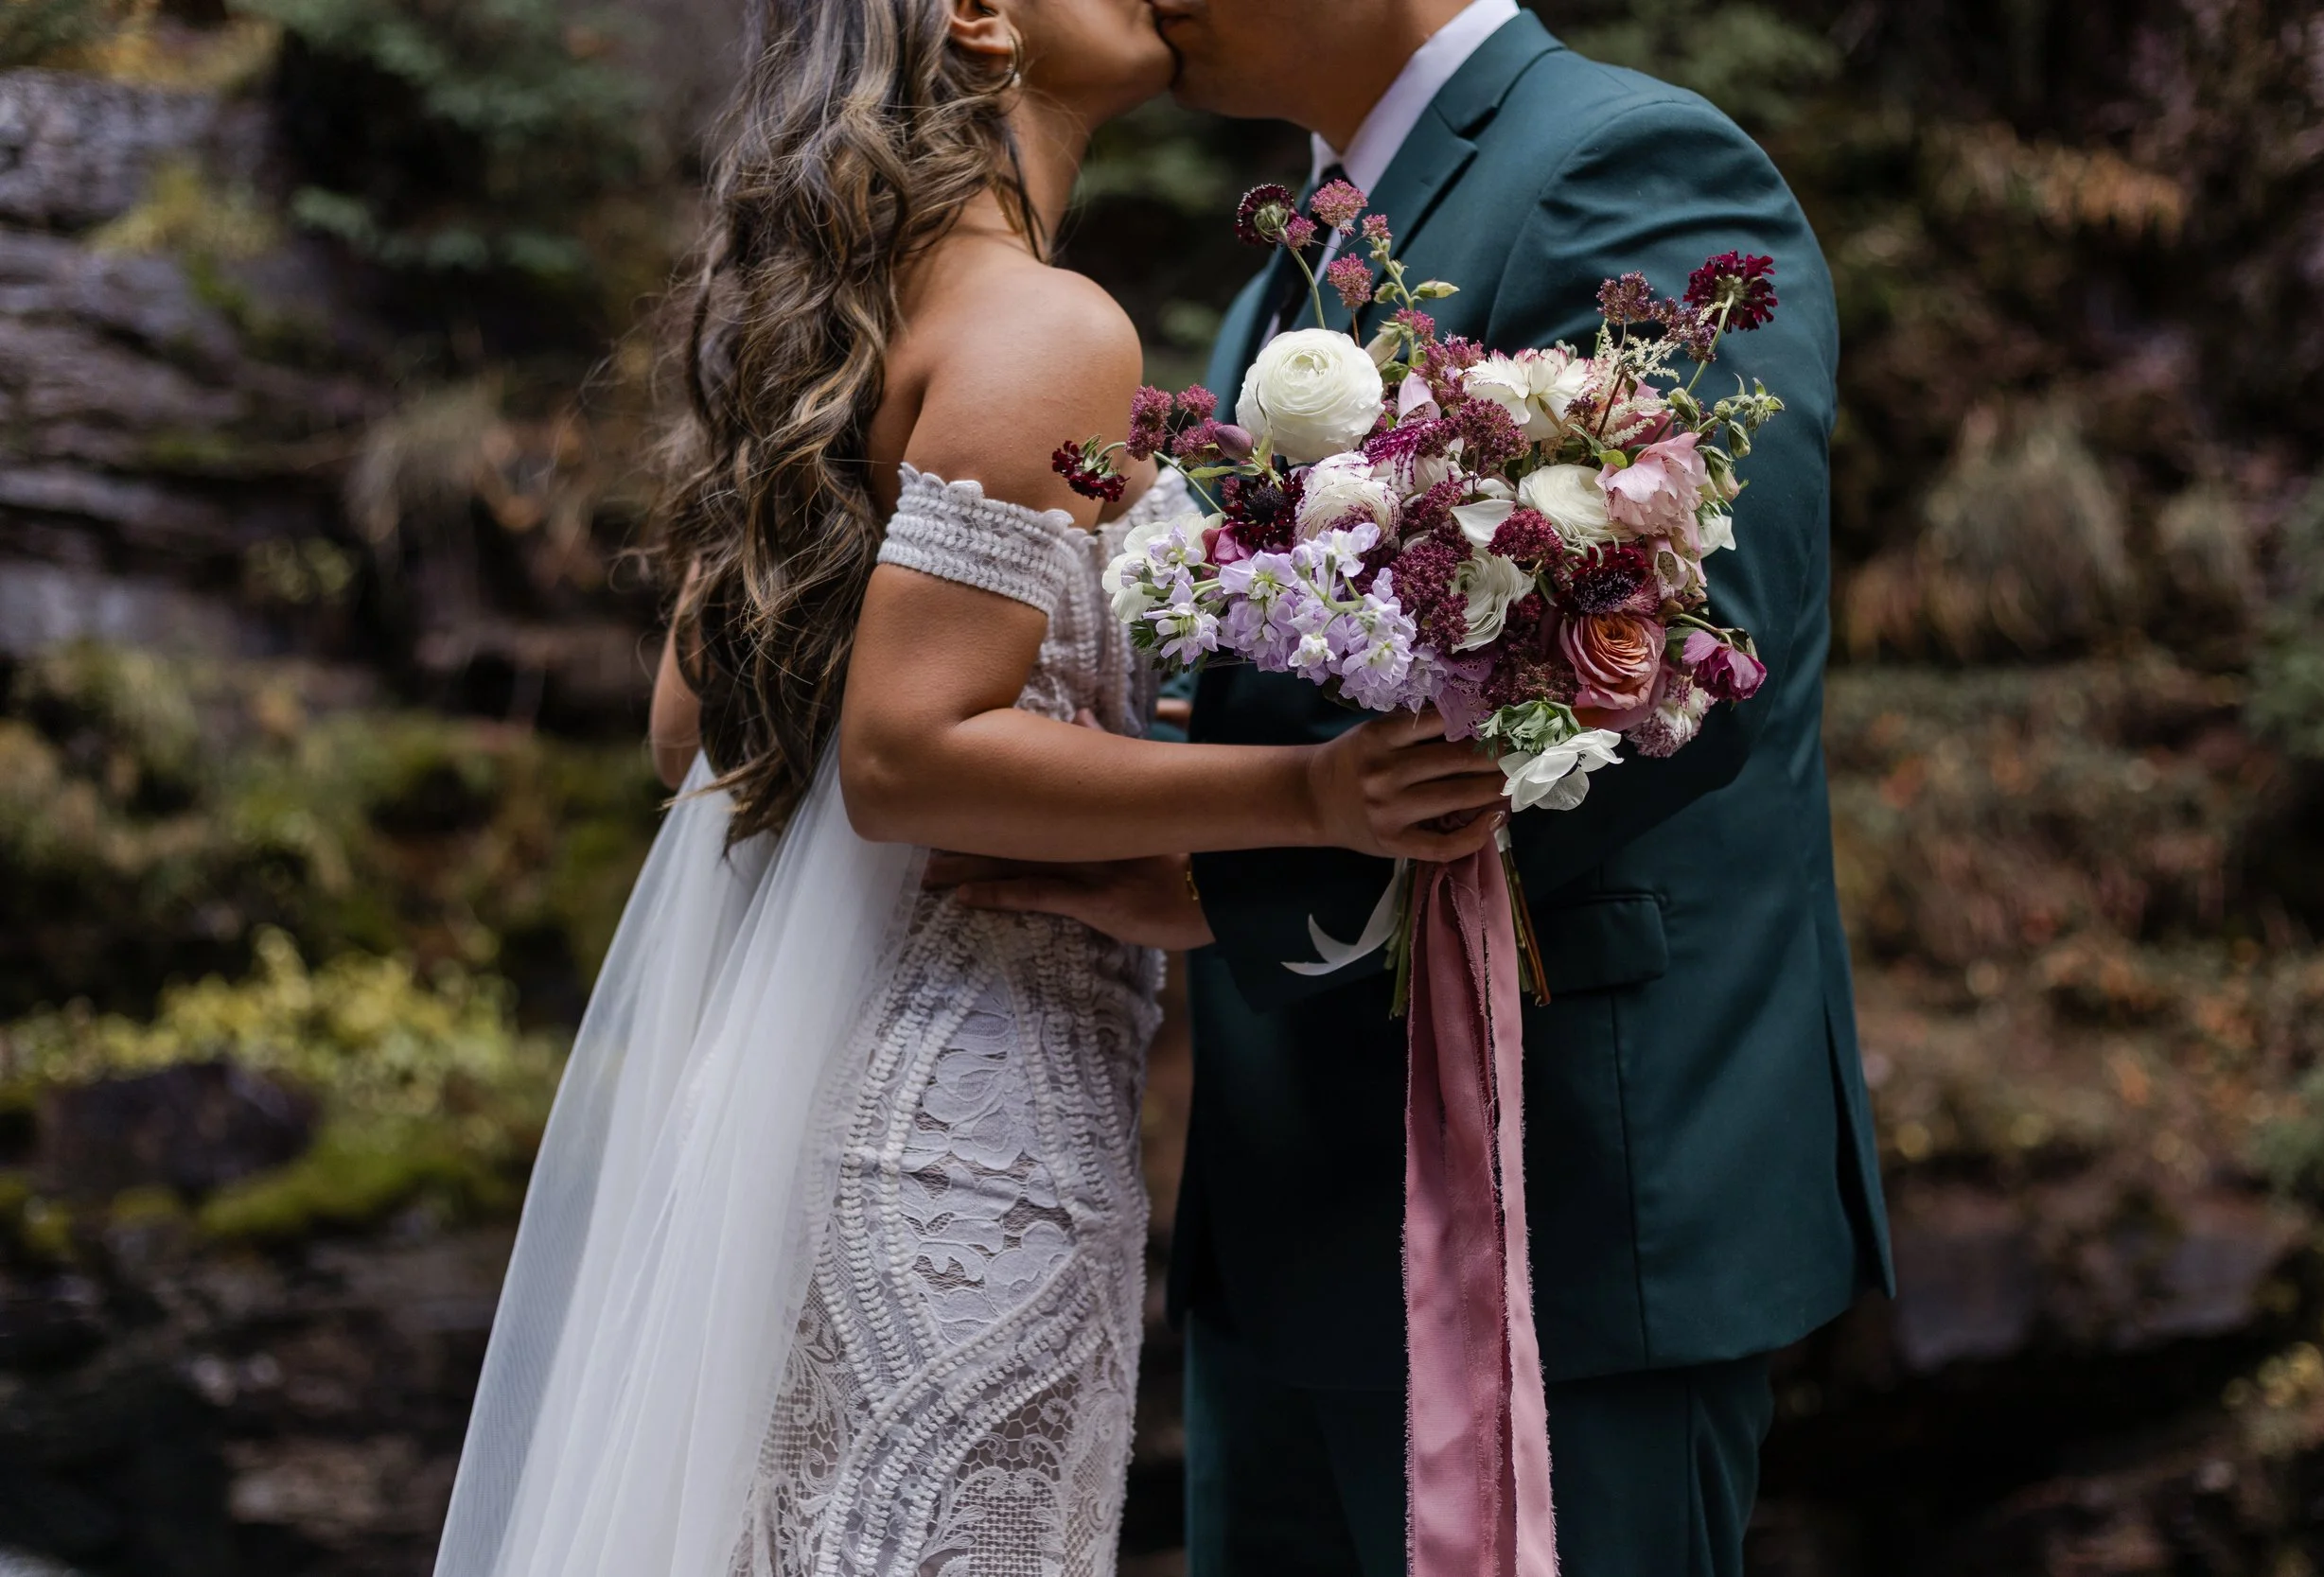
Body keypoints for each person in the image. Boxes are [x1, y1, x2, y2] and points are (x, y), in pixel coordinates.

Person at [426, 3, 1513, 1575]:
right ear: (983, 19)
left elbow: (696, 731)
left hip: (825, 1083)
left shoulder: (843, 327)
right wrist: (1320, 796)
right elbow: (903, 755)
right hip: (967, 1131)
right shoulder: (1049, 329)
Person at [960, 3, 1896, 1572]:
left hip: (1569, 1212)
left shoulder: (1631, 169)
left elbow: (1691, 665)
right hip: (1287, 1216)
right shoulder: (1299, 255)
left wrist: (1230, 876)